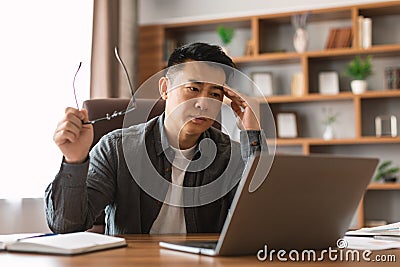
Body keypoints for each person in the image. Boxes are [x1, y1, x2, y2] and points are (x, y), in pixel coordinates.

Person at [46, 42, 266, 235]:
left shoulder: (231, 155)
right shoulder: (117, 149)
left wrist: (252, 133)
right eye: (193, 88)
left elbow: (259, 225)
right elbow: (67, 225)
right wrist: (74, 161)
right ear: (165, 89)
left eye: (215, 94)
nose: (203, 103)